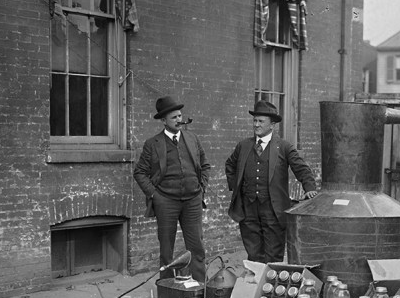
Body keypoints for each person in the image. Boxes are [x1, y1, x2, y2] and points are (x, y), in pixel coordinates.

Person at [225, 100, 318, 263]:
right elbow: (230, 164)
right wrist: (236, 187)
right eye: (255, 120)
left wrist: (309, 187)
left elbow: (302, 169)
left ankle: (270, 286)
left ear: (272, 124)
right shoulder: (244, 146)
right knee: (253, 253)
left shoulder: (283, 147)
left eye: (261, 121)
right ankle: (255, 284)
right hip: (248, 209)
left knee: (273, 255)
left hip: (273, 209)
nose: (256, 124)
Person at [133, 96, 211, 282]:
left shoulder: (192, 139)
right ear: (163, 121)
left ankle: (201, 288)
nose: (179, 120)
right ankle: (167, 291)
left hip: (192, 201)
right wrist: (155, 195)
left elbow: (205, 165)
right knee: (166, 251)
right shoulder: (153, 144)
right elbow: (140, 172)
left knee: (197, 248)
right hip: (166, 202)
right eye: (174, 117)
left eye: (180, 116)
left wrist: (201, 188)